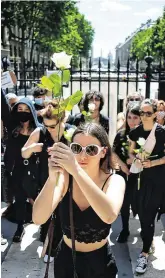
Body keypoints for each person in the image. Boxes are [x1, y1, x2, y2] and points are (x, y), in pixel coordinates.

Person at [33, 123, 125, 278]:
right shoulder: (65, 179)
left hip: (99, 262)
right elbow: (38, 218)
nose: (83, 156)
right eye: (76, 148)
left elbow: (109, 215)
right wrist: (52, 178)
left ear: (103, 152)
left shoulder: (114, 180)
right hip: (66, 260)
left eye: (91, 150)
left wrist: (75, 169)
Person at [22, 99, 72, 263]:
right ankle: (50, 246)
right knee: (49, 213)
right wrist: (32, 148)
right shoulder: (40, 132)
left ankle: (57, 247)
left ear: (62, 120)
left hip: (67, 178)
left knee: (63, 213)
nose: (49, 129)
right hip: (46, 178)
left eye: (52, 126)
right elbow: (24, 153)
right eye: (47, 125)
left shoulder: (70, 133)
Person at [128, 99, 165, 274]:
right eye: (141, 113)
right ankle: (148, 243)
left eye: (148, 113)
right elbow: (129, 152)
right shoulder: (135, 132)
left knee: (148, 214)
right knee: (142, 213)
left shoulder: (162, 132)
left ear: (156, 114)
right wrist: (135, 158)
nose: (144, 116)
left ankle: (143, 253)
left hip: (157, 179)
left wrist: (153, 162)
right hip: (139, 178)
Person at [3, 98, 42, 242]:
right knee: (19, 199)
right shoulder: (13, 128)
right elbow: (4, 108)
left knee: (36, 199)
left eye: (26, 110)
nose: (23, 113)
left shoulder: (38, 130)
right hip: (17, 170)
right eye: (20, 110)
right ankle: (19, 228)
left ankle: (44, 225)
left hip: (34, 171)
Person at [113, 105, 141, 243]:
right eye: (129, 117)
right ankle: (125, 229)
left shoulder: (146, 135)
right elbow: (113, 152)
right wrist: (122, 165)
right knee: (124, 203)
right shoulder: (121, 134)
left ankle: (146, 230)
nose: (132, 121)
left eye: (135, 117)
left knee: (141, 203)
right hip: (123, 173)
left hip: (141, 175)